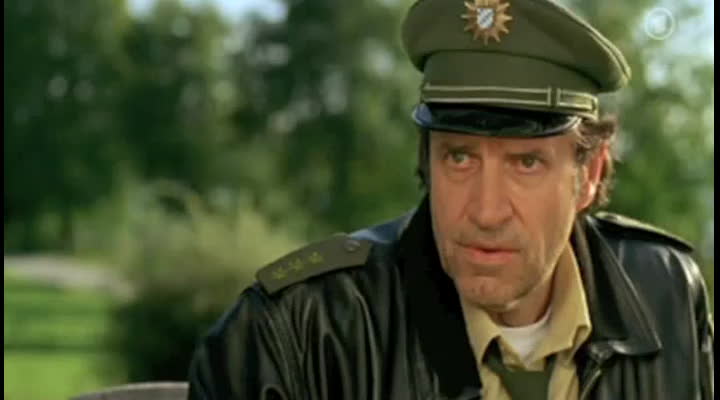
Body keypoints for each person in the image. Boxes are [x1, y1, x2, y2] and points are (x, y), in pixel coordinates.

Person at [187, 0, 714, 399]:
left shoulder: (665, 292)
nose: (486, 211)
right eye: (459, 158)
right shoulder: (295, 333)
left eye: (526, 163)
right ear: (427, 162)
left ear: (590, 175)